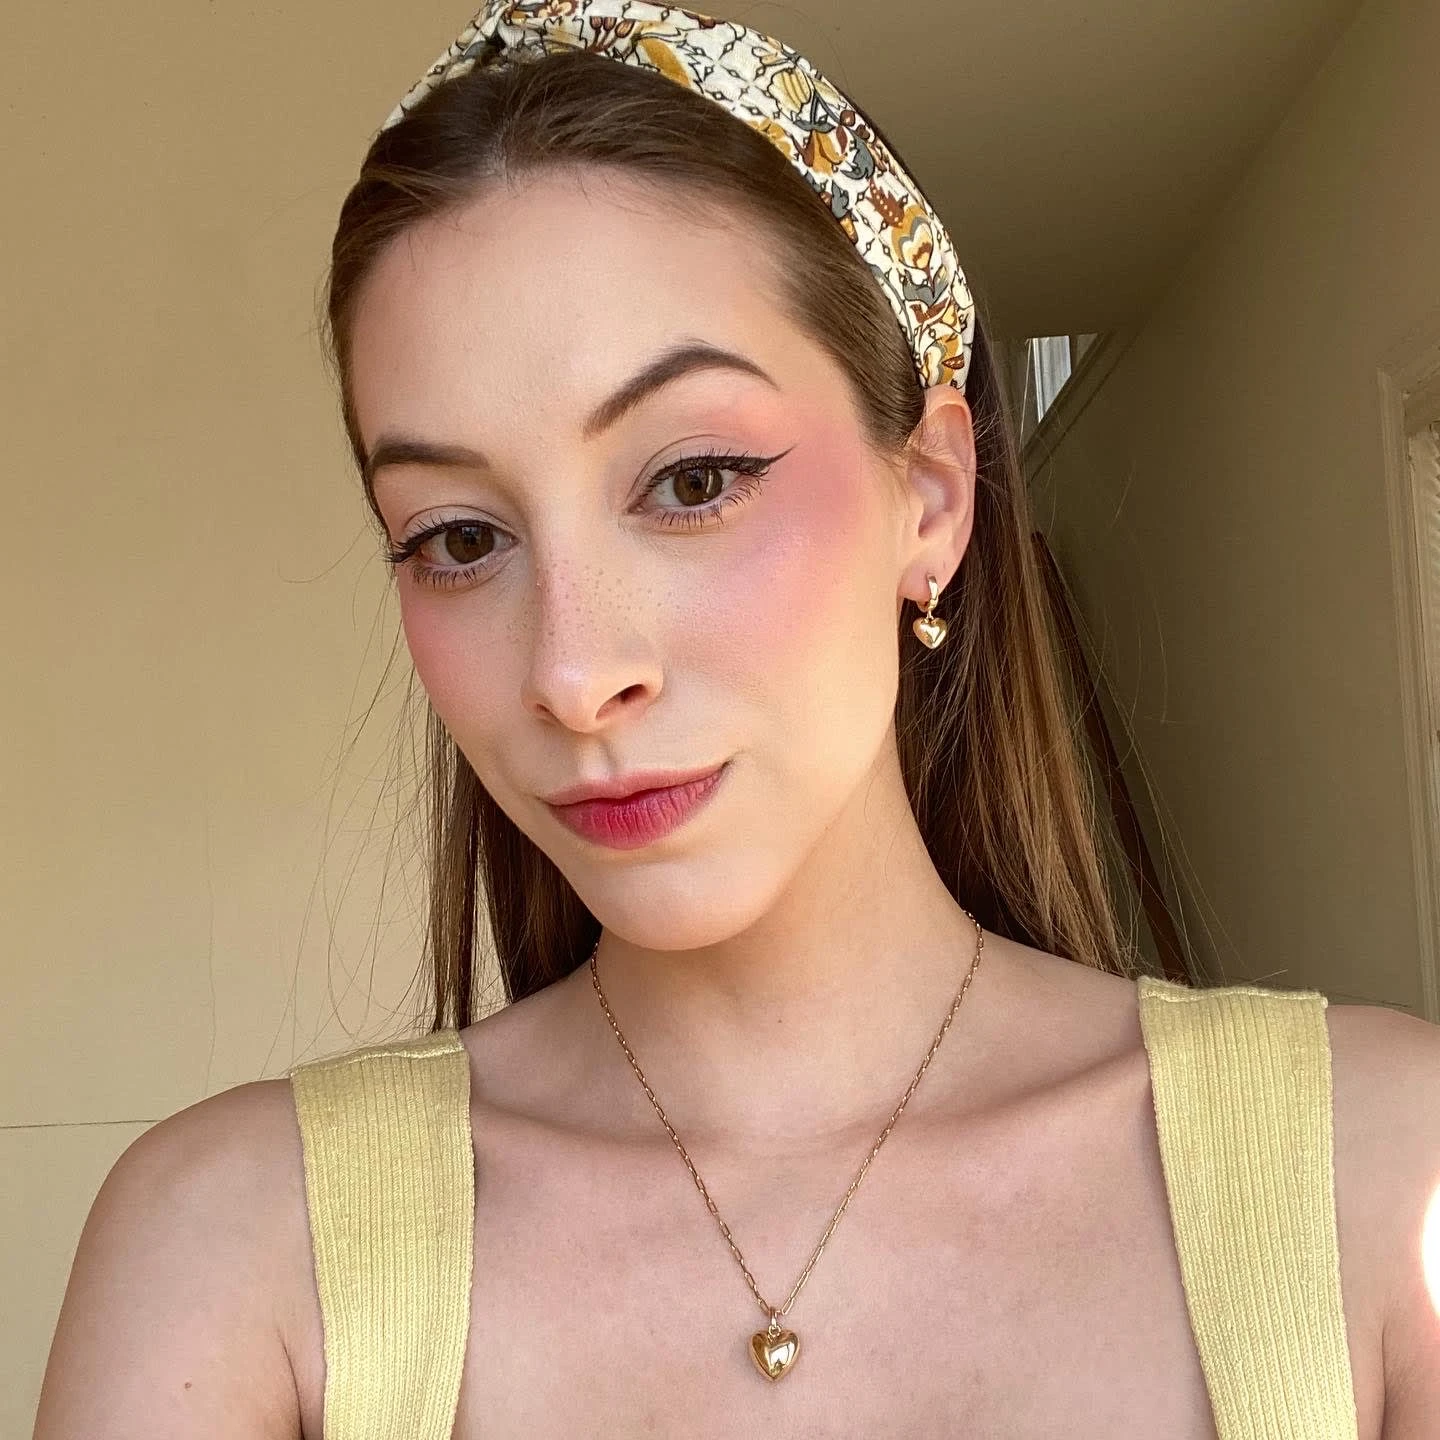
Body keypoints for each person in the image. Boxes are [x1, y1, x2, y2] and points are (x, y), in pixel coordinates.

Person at [33, 3, 1440, 1436]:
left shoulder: (1382, 1178)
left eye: (694, 481)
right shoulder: (234, 1252)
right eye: (459, 538)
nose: (574, 675)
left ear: (931, 497)